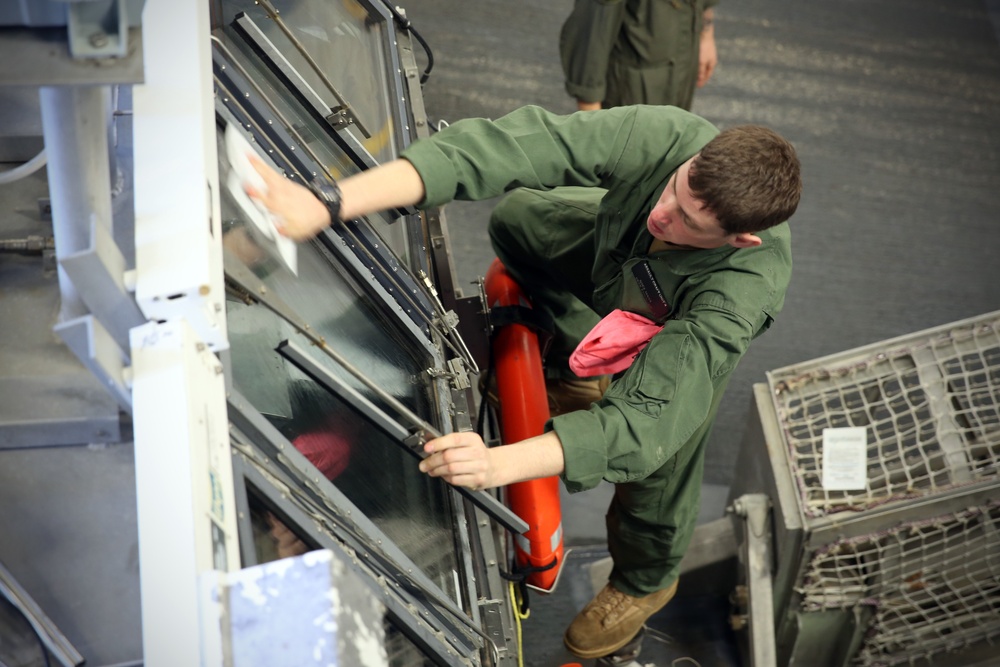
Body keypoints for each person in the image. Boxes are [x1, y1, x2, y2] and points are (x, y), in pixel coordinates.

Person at [245, 104, 801, 659]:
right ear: (694, 157)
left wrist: (495, 463)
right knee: (521, 222)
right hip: (616, 267)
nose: (663, 216)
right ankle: (573, 363)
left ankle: (646, 579)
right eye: (673, 191)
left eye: (689, 223)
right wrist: (327, 203)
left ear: (739, 241)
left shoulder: (737, 294)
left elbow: (648, 421)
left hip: (676, 333)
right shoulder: (667, 140)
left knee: (661, 455)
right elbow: (511, 145)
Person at [560, 0, 719, 112]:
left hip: (680, 70)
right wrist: (592, 119)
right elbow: (591, 37)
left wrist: (706, 34)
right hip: (632, 95)